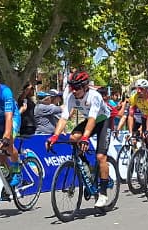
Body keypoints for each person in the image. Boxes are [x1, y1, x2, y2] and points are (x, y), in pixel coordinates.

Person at [46, 70, 115, 208]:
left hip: (103, 121)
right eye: (72, 87)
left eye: (77, 88)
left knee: (101, 156)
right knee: (73, 138)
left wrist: (85, 138)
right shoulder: (71, 97)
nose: (74, 91)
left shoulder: (94, 96)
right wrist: (54, 136)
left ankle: (103, 193)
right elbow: (64, 118)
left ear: (85, 86)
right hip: (90, 121)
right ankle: (87, 168)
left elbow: (92, 119)